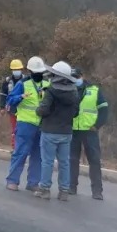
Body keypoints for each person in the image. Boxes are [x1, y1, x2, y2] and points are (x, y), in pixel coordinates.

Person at [34, 61, 81, 201]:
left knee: (47, 161)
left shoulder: (51, 91)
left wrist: (39, 110)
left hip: (50, 131)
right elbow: (76, 112)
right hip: (66, 132)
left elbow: (43, 110)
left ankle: (45, 189)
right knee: (64, 162)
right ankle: (64, 191)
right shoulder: (74, 92)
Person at [4, 55, 48, 192]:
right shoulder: (22, 84)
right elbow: (10, 100)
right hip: (25, 124)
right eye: (36, 73)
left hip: (42, 126)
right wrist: (20, 97)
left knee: (38, 155)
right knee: (20, 152)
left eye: (40, 72)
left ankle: (33, 182)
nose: (39, 75)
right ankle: (12, 180)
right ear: (30, 72)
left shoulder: (47, 85)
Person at [70, 67, 108, 200]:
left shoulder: (94, 90)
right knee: (72, 159)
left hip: (89, 131)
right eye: (72, 77)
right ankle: (71, 187)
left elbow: (104, 110)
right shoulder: (69, 89)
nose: (75, 79)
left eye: (77, 76)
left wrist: (97, 125)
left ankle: (97, 191)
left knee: (94, 161)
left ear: (82, 76)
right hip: (74, 129)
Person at [0, 59, 25, 151]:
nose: (16, 71)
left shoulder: (26, 80)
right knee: (14, 129)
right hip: (12, 109)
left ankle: (22, 147)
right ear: (12, 70)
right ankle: (14, 147)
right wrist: (2, 107)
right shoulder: (7, 81)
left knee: (22, 129)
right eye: (15, 69)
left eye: (18, 69)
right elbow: (3, 94)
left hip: (24, 109)